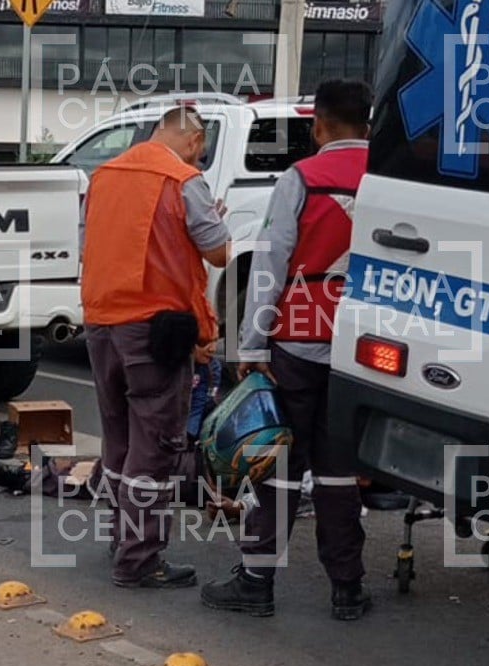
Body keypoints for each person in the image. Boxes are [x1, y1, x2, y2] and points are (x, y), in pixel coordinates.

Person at [200, 79, 374, 620]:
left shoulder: (302, 177)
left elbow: (270, 265)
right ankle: (347, 588)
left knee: (278, 461)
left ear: (319, 126)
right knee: (339, 468)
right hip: (366, 340)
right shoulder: (391, 179)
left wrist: (253, 343)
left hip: (299, 333)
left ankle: (257, 581)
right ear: (368, 125)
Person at [81, 106, 231, 589]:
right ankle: (140, 559)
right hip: (155, 331)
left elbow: (96, 244)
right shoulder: (184, 180)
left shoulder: (104, 175)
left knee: (119, 440)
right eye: (201, 151)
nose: (200, 159)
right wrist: (213, 221)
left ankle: (119, 540)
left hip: (102, 323)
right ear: (193, 140)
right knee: (156, 445)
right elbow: (219, 251)